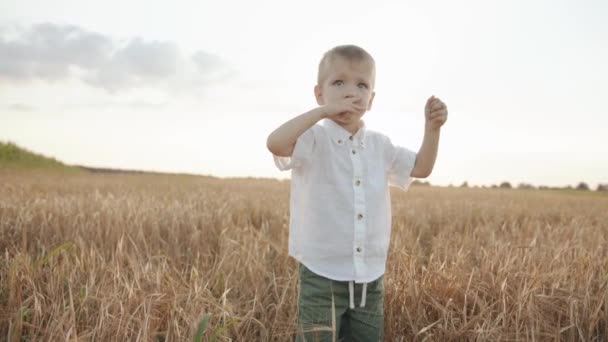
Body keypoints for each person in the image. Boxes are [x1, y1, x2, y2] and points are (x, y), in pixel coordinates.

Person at [266, 44, 448, 341]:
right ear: (319, 93)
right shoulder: (313, 139)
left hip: (369, 278)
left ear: (371, 99)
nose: (351, 92)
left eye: (361, 85)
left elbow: (421, 167)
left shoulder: (380, 145)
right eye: (339, 83)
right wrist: (322, 113)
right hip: (321, 275)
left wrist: (432, 129)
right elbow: (275, 143)